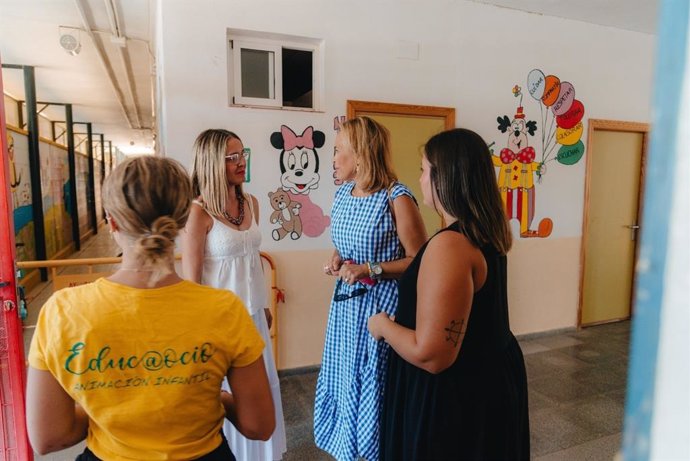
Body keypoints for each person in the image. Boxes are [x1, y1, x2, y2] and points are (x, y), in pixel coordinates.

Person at [26, 155, 275, 460]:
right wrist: (219, 399)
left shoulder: (62, 310)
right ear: (182, 220)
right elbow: (259, 425)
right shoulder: (223, 309)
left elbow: (49, 437)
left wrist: (113, 415)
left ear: (112, 221)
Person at [368, 128, 531, 460]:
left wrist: (383, 326)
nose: (420, 177)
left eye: (424, 169)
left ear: (445, 179)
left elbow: (433, 355)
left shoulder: (451, 245)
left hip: (457, 395)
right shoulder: (485, 231)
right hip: (487, 380)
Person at [314, 116, 428, 460]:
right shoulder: (343, 193)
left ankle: (377, 450)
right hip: (346, 308)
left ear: (361, 154)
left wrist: (369, 269)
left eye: (338, 151)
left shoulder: (397, 197)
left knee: (372, 385)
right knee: (345, 377)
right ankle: (350, 448)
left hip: (380, 309)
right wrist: (337, 260)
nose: (332, 159)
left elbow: (419, 260)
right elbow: (346, 244)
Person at [183, 128, 287, 461]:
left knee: (261, 393)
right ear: (212, 163)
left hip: (254, 315)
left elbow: (252, 259)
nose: (241, 163)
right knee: (229, 397)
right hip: (220, 323)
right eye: (232, 157)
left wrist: (264, 304)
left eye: (243, 155)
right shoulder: (198, 213)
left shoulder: (251, 203)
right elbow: (192, 280)